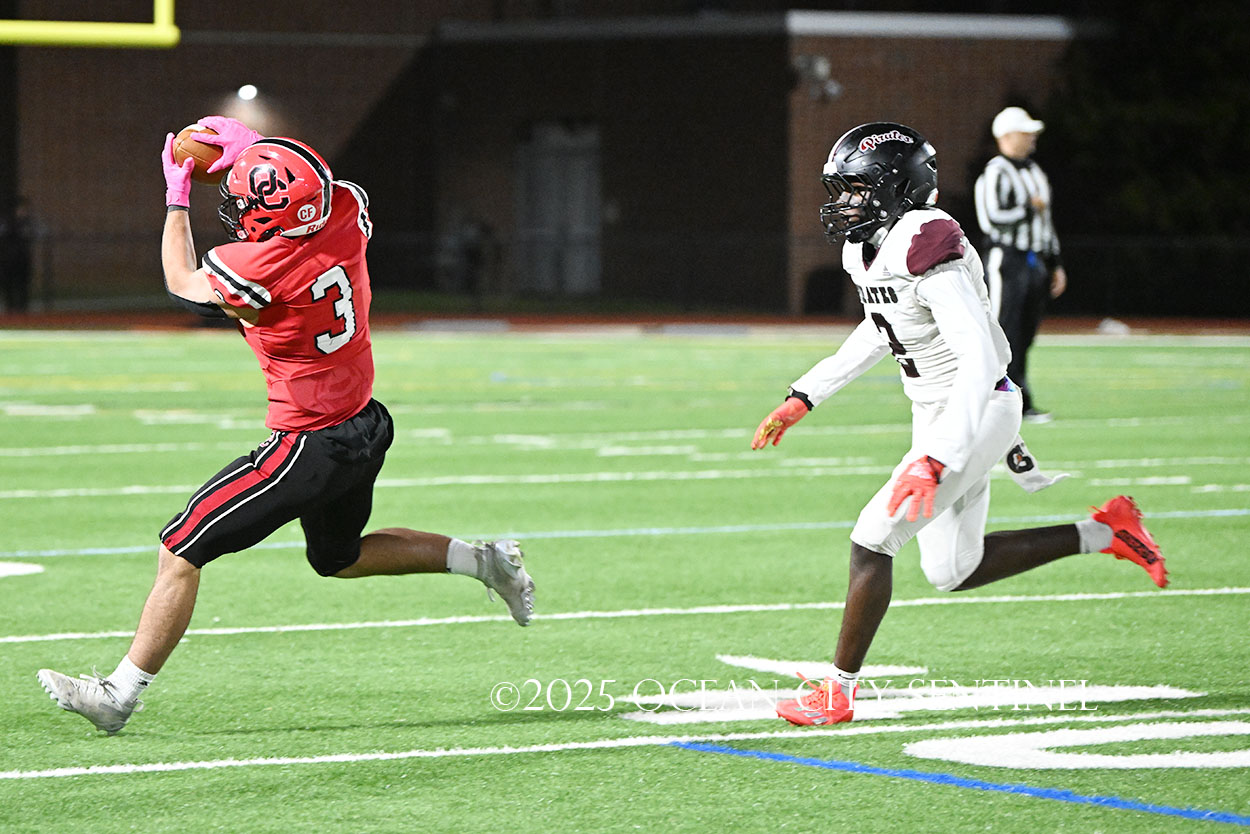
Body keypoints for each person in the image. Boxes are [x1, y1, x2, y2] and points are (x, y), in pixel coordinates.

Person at [36, 116, 535, 735]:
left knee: (180, 548)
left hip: (308, 445)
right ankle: (487, 563)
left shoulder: (259, 265)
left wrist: (177, 198)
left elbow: (182, 284)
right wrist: (257, 153)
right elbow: (321, 186)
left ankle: (118, 695)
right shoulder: (344, 212)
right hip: (366, 423)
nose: (236, 209)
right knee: (339, 558)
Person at [752, 122, 1166, 727]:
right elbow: (882, 327)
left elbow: (978, 357)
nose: (845, 203)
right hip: (941, 411)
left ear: (895, 189)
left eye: (857, 189)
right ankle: (1107, 532)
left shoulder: (926, 240)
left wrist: (936, 455)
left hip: (977, 407)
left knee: (872, 538)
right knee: (952, 569)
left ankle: (837, 692)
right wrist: (805, 396)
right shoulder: (866, 249)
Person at [974, 106, 1066, 422]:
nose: (1032, 138)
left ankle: (1020, 401)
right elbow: (992, 218)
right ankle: (990, 399)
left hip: (1034, 258)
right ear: (1007, 136)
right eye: (1026, 133)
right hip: (1007, 259)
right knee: (1002, 329)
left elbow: (1046, 222)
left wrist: (1055, 262)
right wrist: (1027, 208)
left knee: (1025, 334)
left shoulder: (1035, 171)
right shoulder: (996, 172)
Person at [0, 196, 35, 314]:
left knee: (22, 286)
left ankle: (22, 309)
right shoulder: (7, 222)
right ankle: (10, 309)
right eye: (21, 209)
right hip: (8, 260)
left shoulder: (28, 223)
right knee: (8, 286)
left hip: (23, 259)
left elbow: (38, 233)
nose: (23, 212)